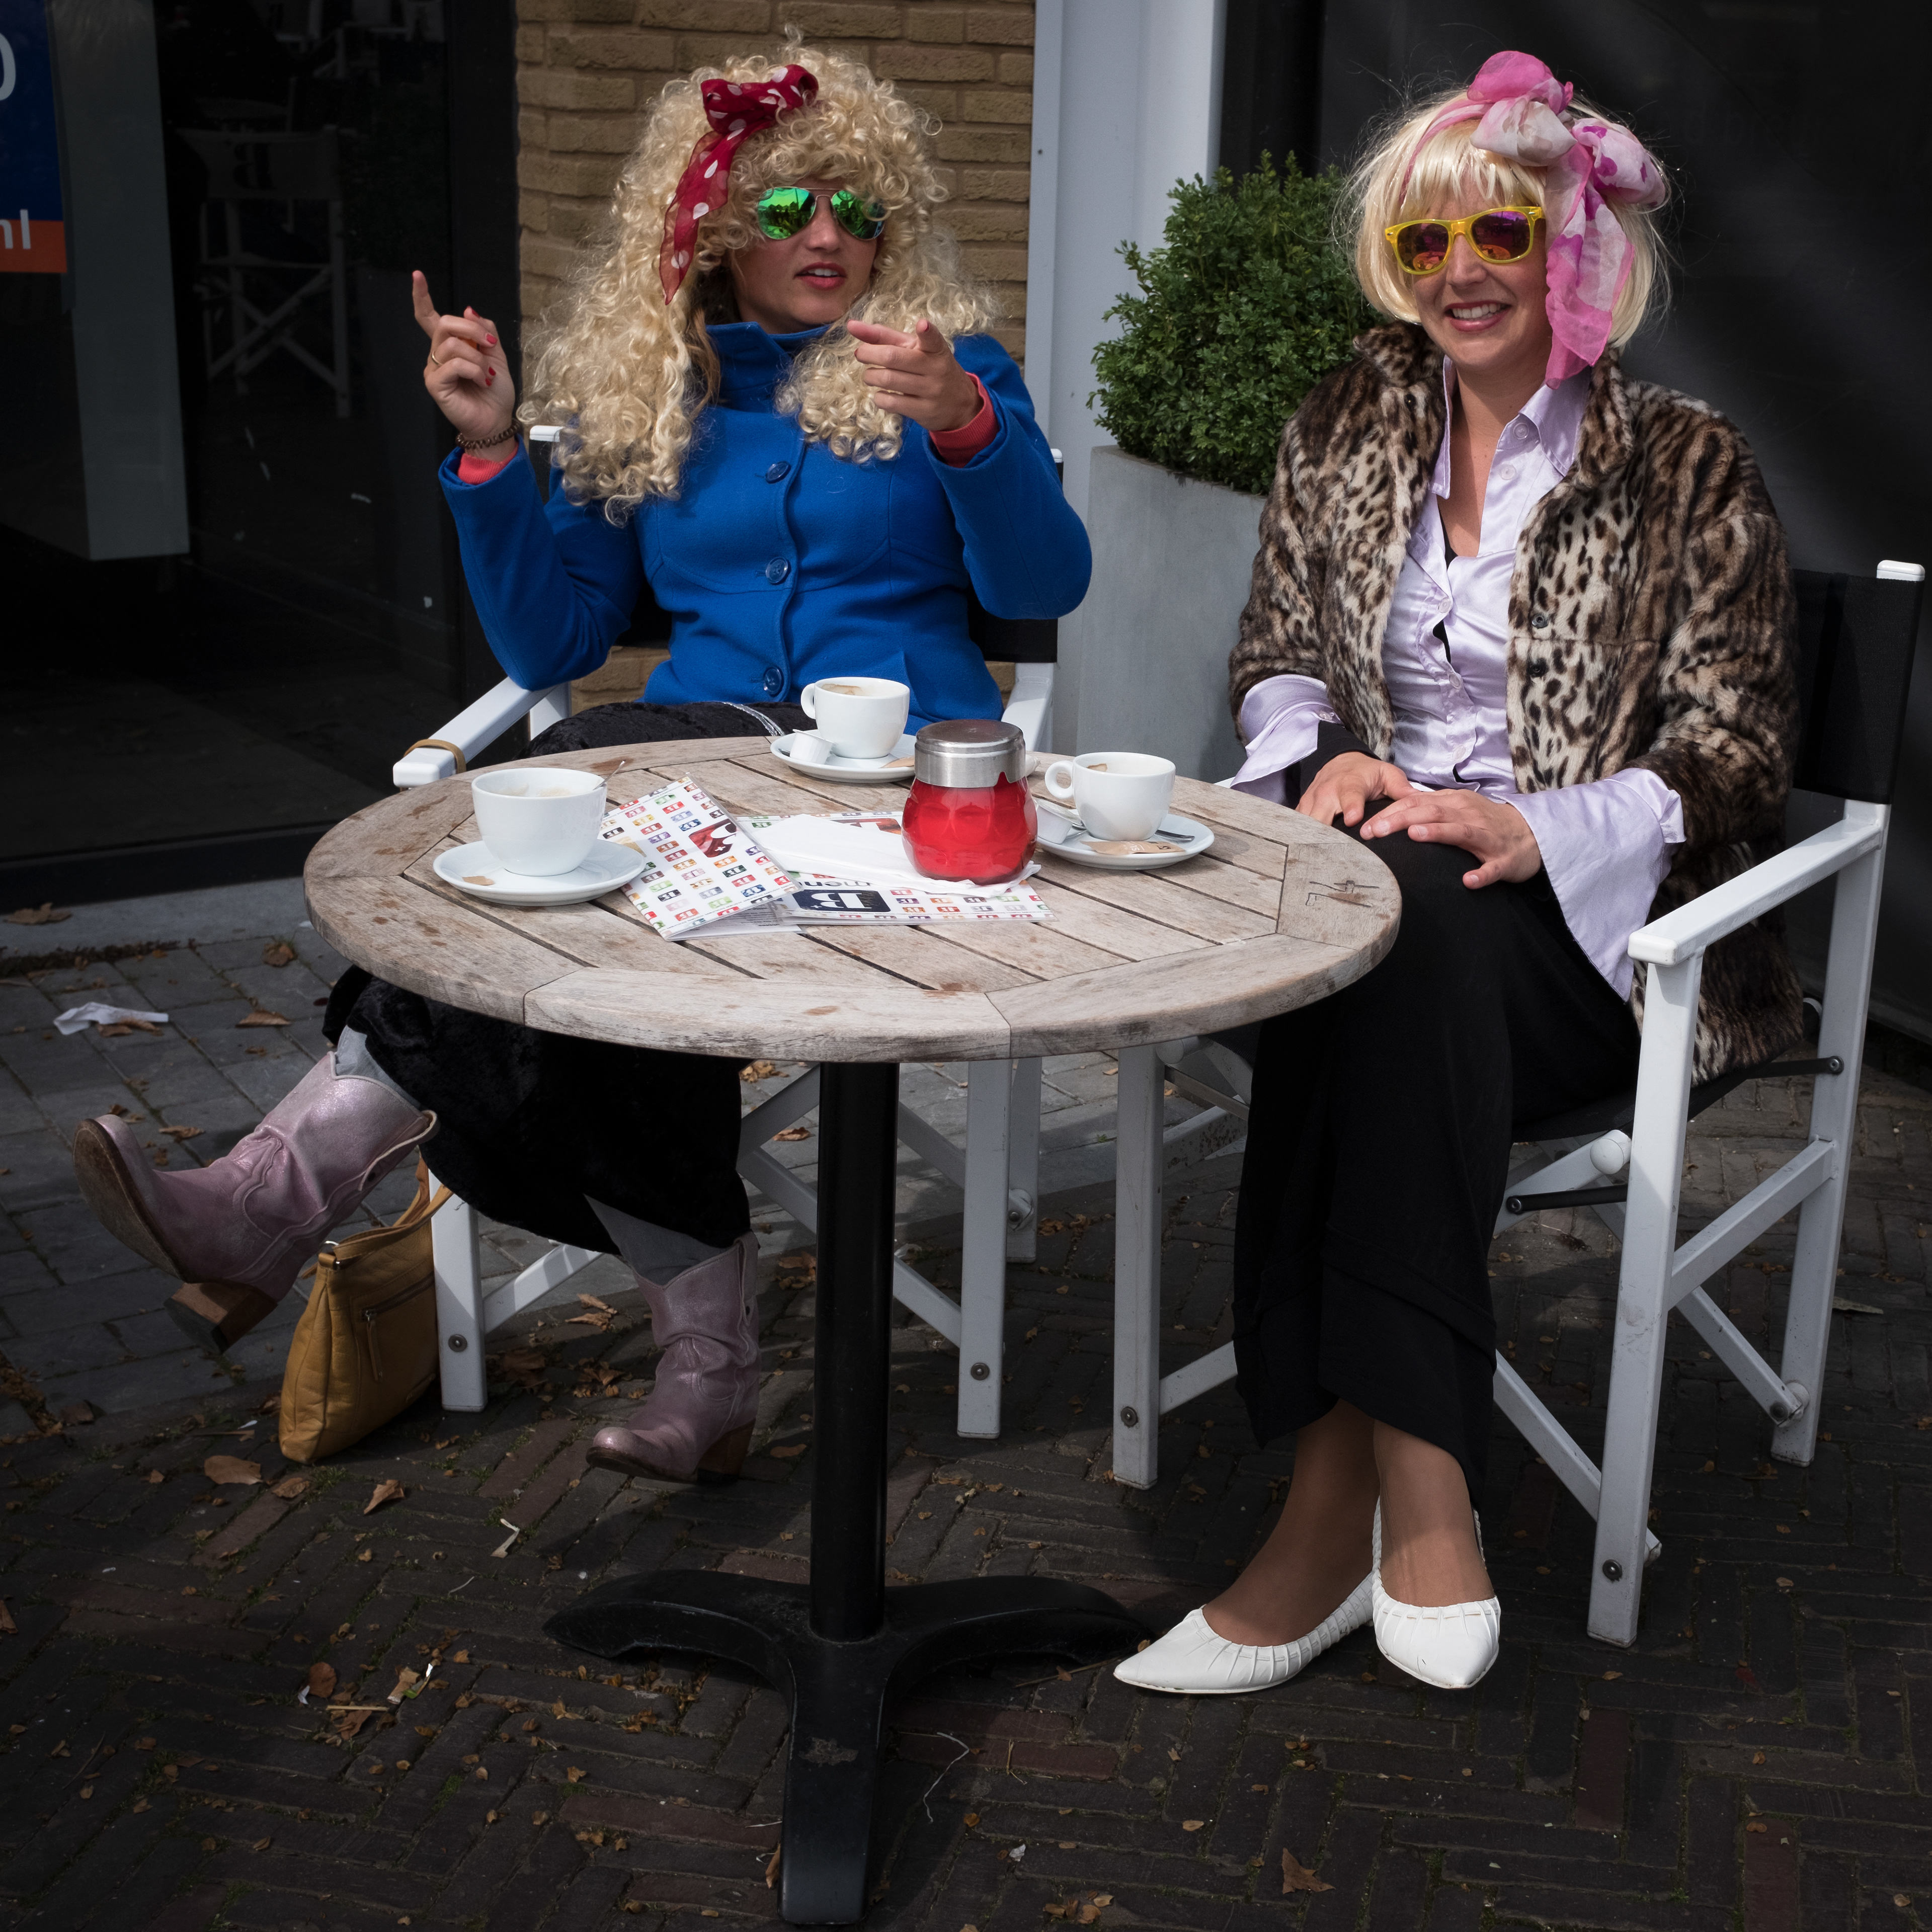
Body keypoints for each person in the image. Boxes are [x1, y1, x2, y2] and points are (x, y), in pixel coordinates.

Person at [71, 42, 1089, 1486]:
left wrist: (966, 428)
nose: (827, 235)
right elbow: (557, 637)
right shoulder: (658, 396)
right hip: (695, 799)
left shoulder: (948, 371)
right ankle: (706, 1379)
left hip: (885, 801)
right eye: (786, 203)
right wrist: (493, 457)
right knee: (603, 955)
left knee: (578, 820)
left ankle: (270, 1200)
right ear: (712, 226)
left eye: (857, 208)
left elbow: (1048, 582)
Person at [1116, 51, 1798, 1697]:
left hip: (1589, 941)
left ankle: (1336, 1513)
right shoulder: (1346, 417)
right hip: (1371, 892)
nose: (1461, 272)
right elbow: (1278, 650)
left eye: (1500, 230)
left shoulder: (1686, 460)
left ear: (1576, 242)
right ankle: (1414, 1479)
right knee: (1378, 939)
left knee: (1385, 953)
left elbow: (1738, 749)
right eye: (1425, 243)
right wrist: (1317, 757)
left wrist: (1535, 826)